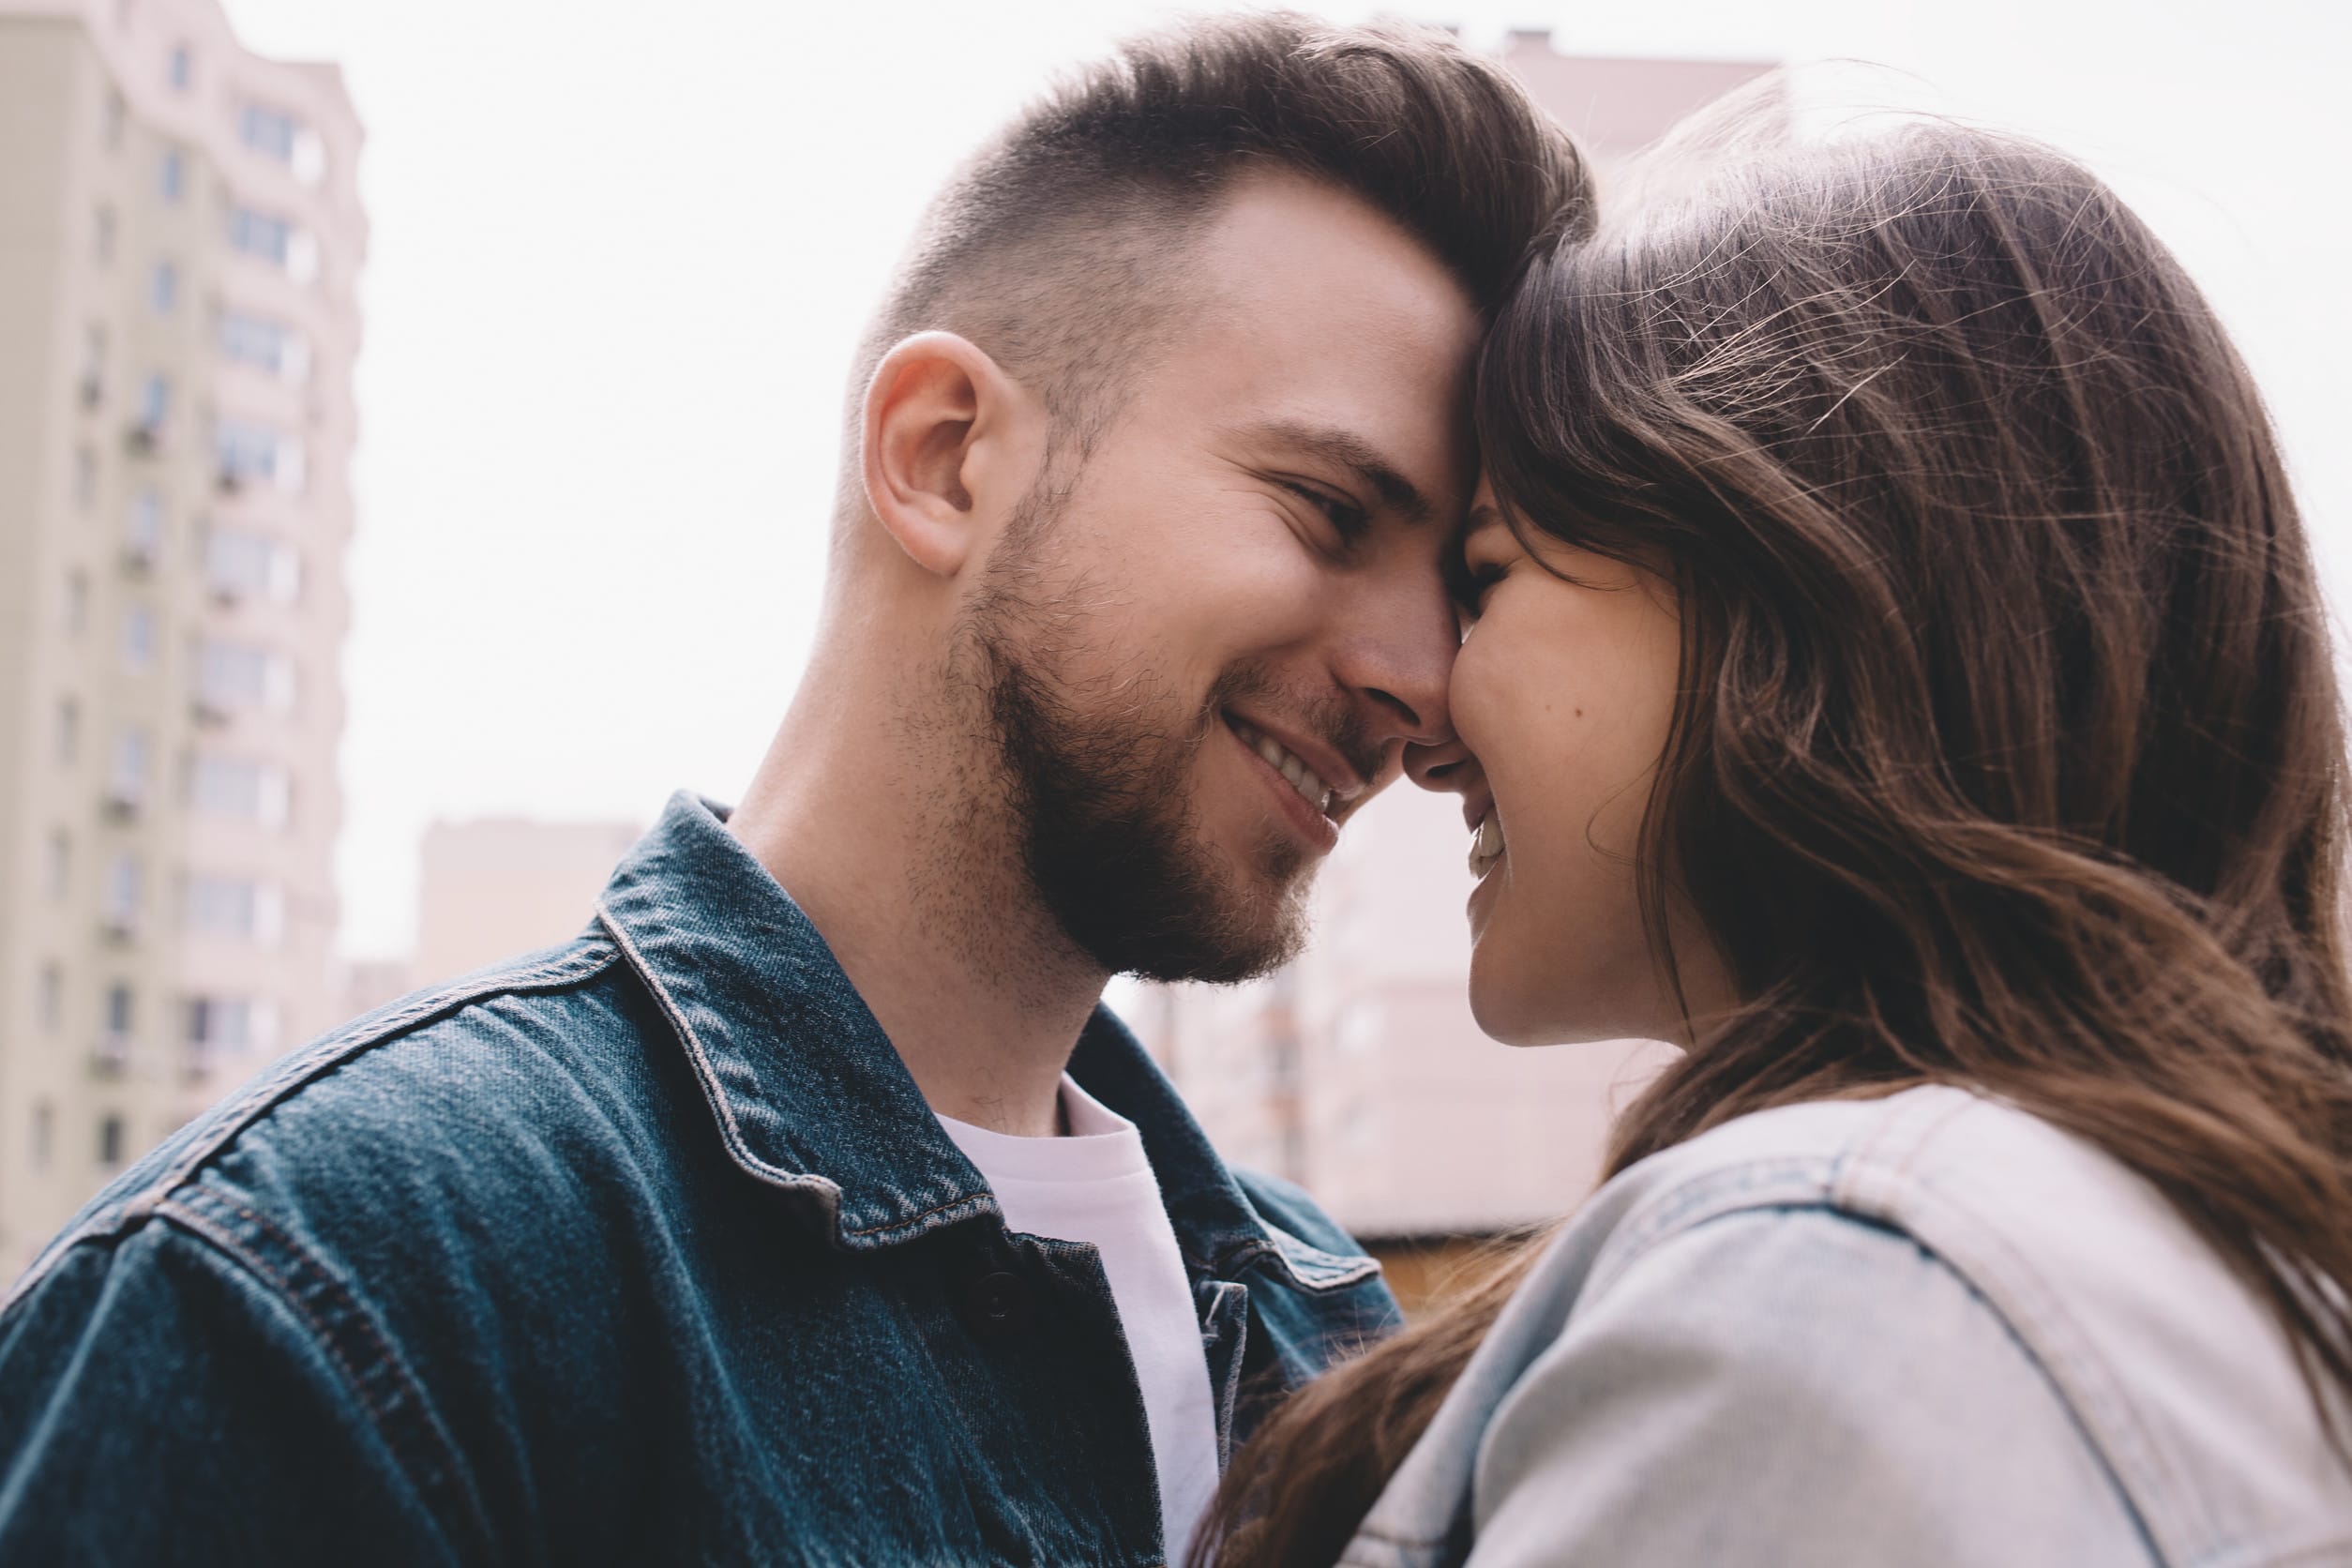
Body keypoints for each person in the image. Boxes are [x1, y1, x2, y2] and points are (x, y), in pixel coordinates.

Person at [0, 17, 1588, 1564]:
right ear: (948, 456)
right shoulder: (333, 1288)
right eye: (1325, 510)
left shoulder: (1331, 1337)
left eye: (1456, 583)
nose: (1423, 682)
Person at [1199, 98, 2352, 1567]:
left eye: (1485, 579)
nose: (1420, 733)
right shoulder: (2196, 1261)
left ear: (1799, 598)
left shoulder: (1841, 1284)